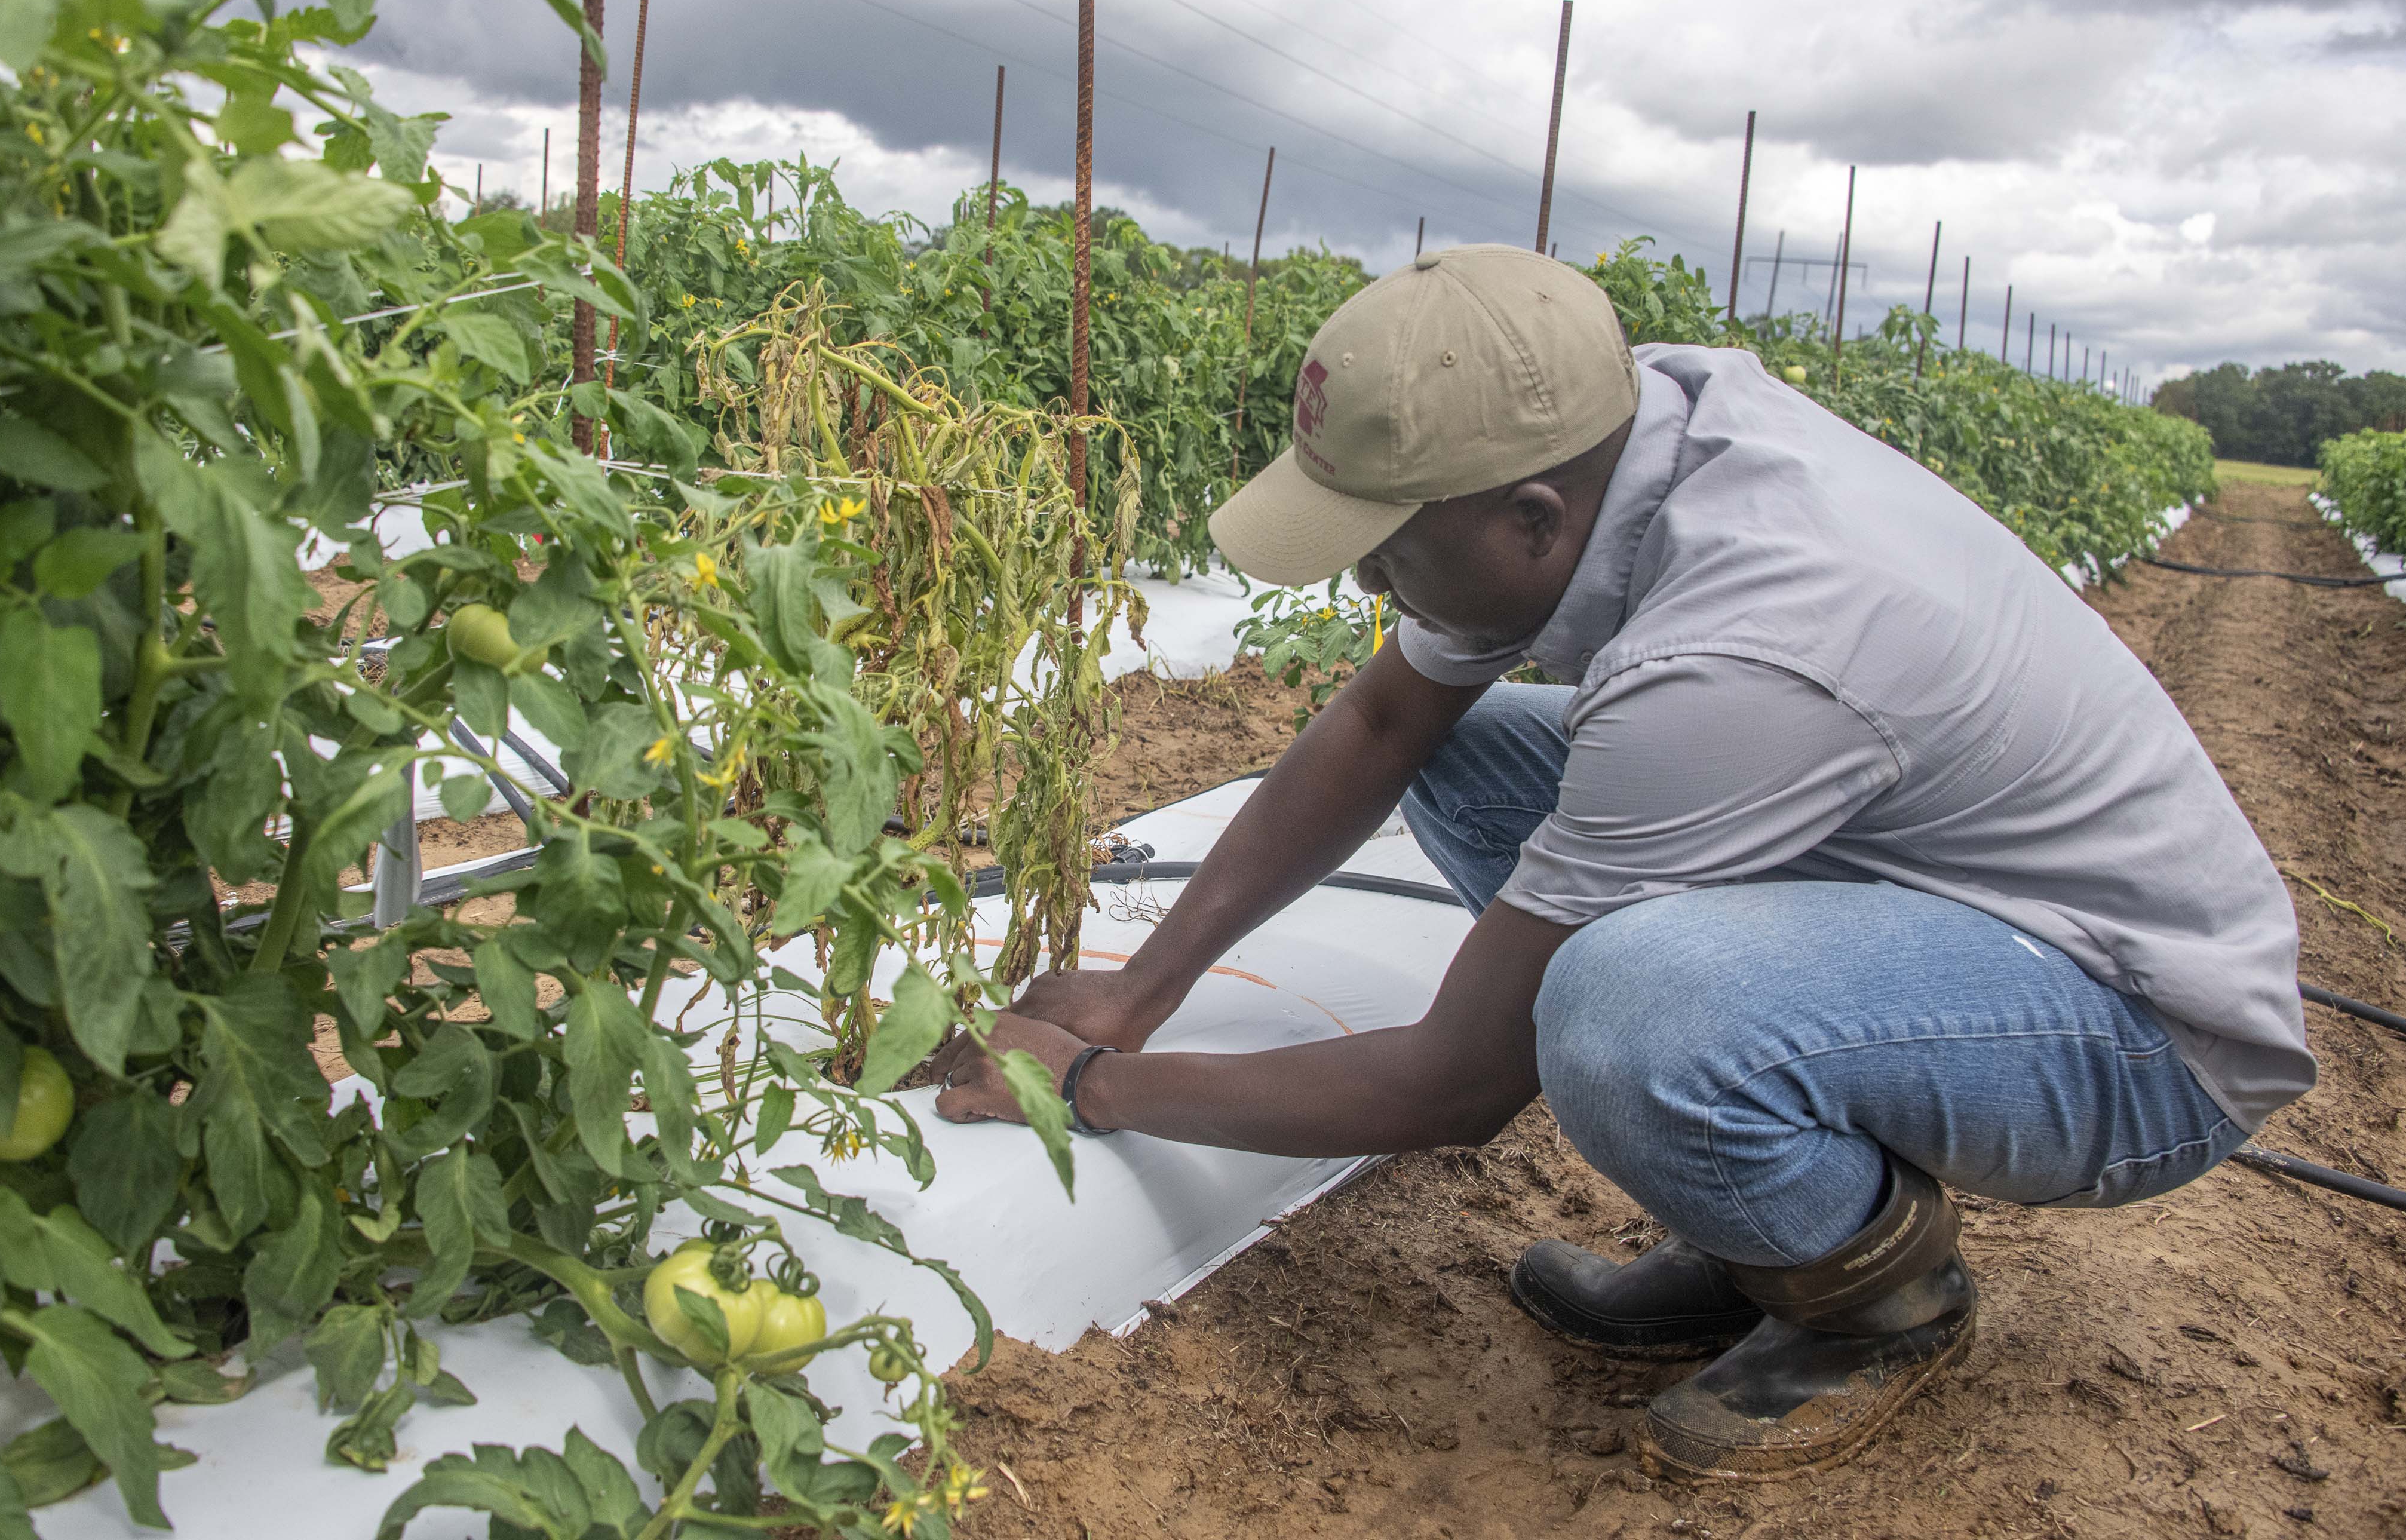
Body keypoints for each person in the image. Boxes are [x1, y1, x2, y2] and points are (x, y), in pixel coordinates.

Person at [928, 243, 2312, 1481]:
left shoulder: (1745, 642)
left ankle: (1879, 1296)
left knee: (1614, 1007)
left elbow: (1460, 1080)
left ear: (1530, 519)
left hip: (2134, 1034)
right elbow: (1388, 716)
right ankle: (1771, 1217)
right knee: (1474, 759)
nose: (1362, 587)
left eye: (1385, 549)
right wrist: (1145, 986)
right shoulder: (1611, 439)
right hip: (1949, 913)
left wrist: (1096, 1087)